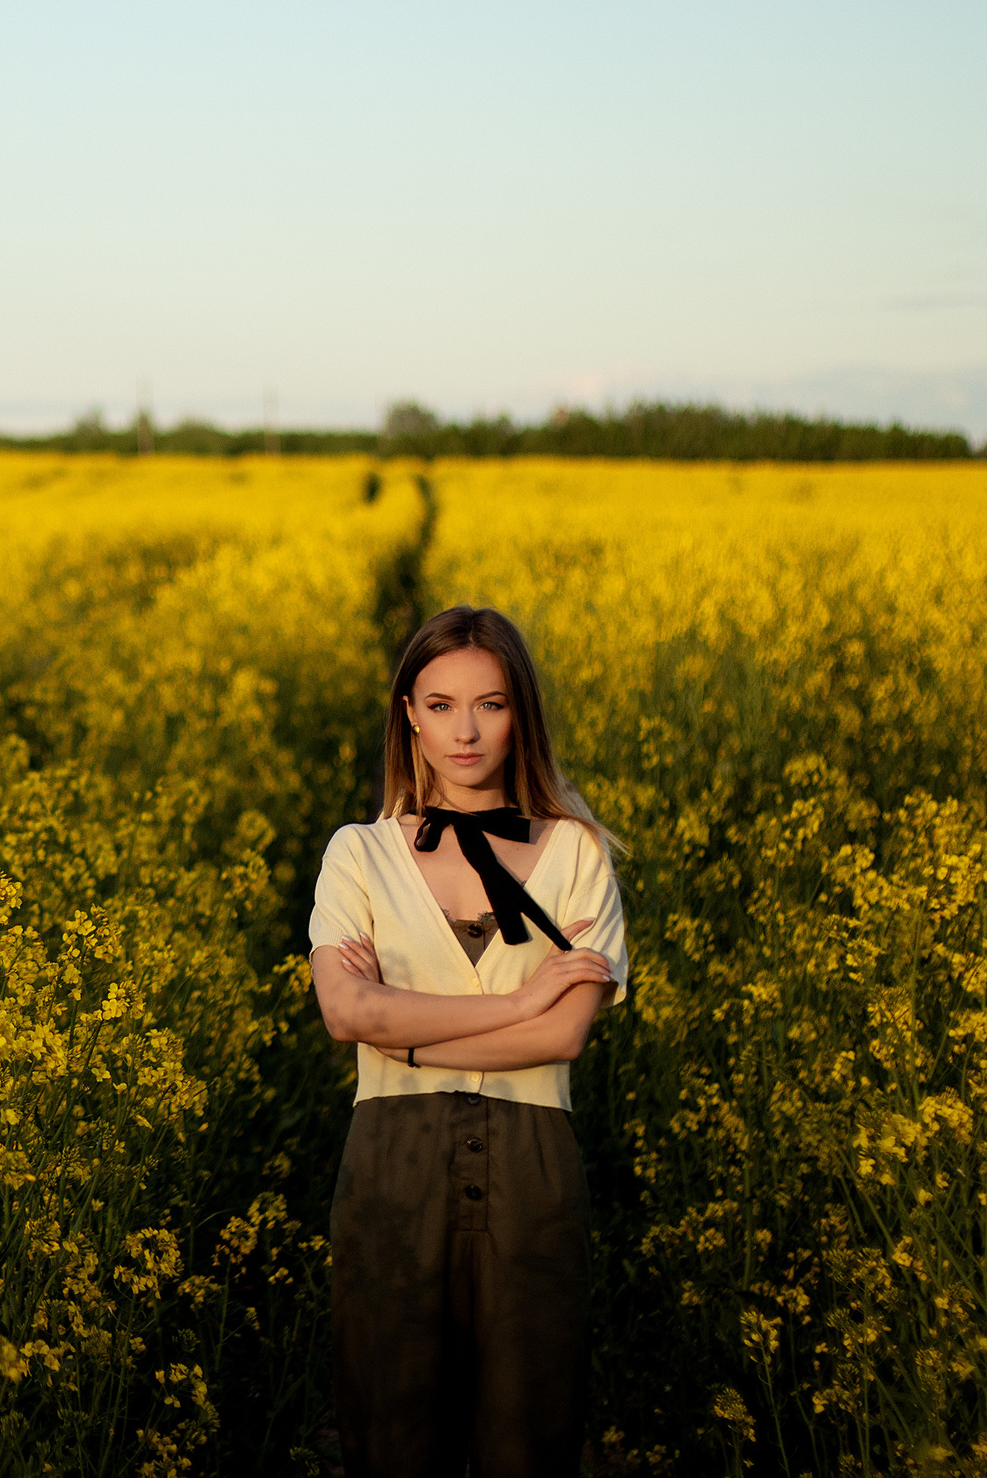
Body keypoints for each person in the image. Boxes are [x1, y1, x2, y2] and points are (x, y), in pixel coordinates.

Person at [307, 605, 631, 1478]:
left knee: (528, 1431)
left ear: (519, 711)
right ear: (408, 712)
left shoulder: (577, 853)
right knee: (391, 1431)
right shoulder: (357, 854)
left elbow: (562, 1033)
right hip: (390, 1162)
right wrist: (519, 999)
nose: (465, 729)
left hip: (533, 1165)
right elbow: (346, 1015)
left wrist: (405, 1029)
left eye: (489, 704)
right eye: (442, 704)